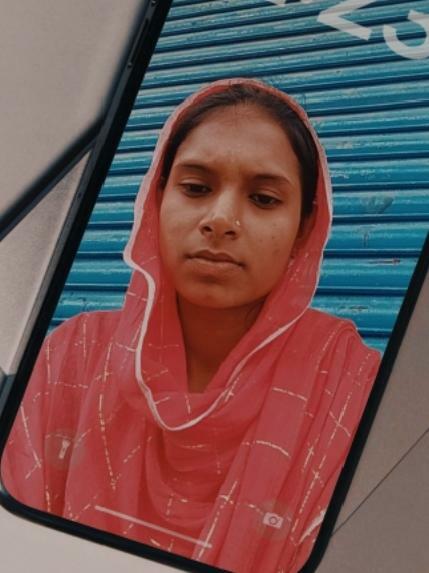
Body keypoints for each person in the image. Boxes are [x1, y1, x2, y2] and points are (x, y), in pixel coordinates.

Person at [1, 78, 380, 573]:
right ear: (157, 199)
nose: (221, 220)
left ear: (304, 227)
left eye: (264, 199)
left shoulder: (352, 388)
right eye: (197, 188)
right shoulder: (74, 354)